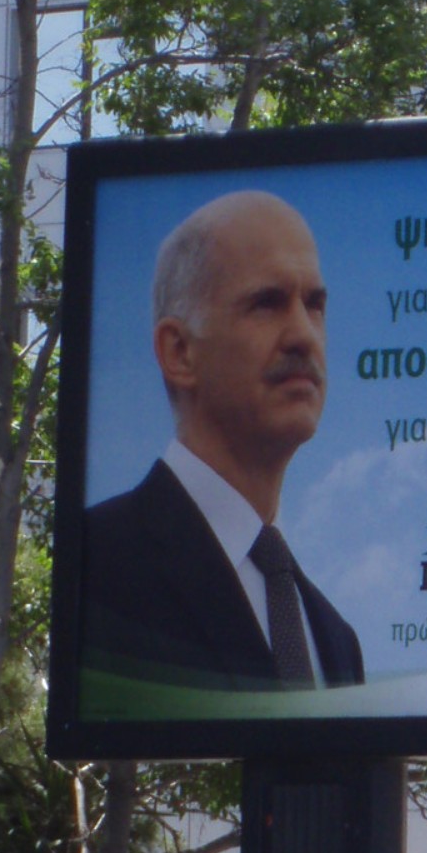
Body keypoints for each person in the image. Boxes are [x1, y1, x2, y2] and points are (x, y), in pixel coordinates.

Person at [79, 190, 364, 696]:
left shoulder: (336, 640)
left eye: (314, 305)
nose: (304, 335)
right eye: (267, 303)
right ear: (179, 351)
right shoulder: (95, 564)